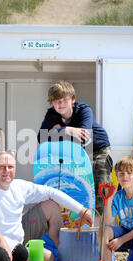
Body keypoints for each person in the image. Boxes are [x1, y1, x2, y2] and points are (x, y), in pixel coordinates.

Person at [0, 150, 93, 261]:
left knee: (50, 256)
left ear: (15, 168)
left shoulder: (19, 186)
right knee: (37, 258)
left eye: (10, 167)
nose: (7, 171)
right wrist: (0, 241)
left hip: (18, 243)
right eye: (2, 167)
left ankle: (66, 257)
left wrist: (81, 210)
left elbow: (51, 192)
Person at [38, 80, 113, 215]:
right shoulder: (51, 114)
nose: (60, 104)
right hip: (76, 153)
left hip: (97, 149)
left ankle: (99, 226)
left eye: (64, 100)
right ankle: (79, 223)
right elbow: (41, 138)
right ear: (51, 103)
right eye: (56, 101)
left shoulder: (84, 110)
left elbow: (84, 137)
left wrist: (56, 132)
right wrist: (67, 131)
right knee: (78, 188)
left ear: (73, 100)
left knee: (99, 188)